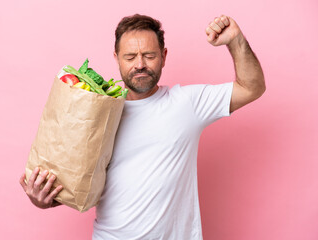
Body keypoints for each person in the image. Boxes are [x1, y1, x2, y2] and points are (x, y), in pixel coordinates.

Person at [20, 14, 265, 239]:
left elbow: (251, 88)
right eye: (130, 57)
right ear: (116, 58)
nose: (140, 64)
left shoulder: (187, 103)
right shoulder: (94, 115)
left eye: (149, 55)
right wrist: (44, 200)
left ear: (164, 56)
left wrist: (235, 40)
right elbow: (77, 183)